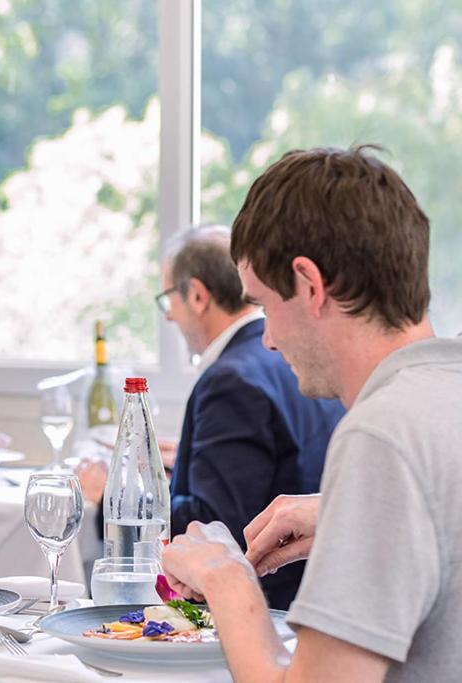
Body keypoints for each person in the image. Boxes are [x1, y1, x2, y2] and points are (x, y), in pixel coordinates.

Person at [162, 146, 462, 682]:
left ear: (309, 285)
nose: (269, 340)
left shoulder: (382, 434)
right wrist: (346, 514)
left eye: (265, 305)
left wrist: (225, 576)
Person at [160, 225, 343, 609]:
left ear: (196, 295)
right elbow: (275, 462)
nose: (168, 318)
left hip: (269, 607)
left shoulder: (230, 379)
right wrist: (186, 463)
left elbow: (215, 526)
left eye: (167, 300)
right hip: (320, 586)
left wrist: (131, 492)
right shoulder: (290, 358)